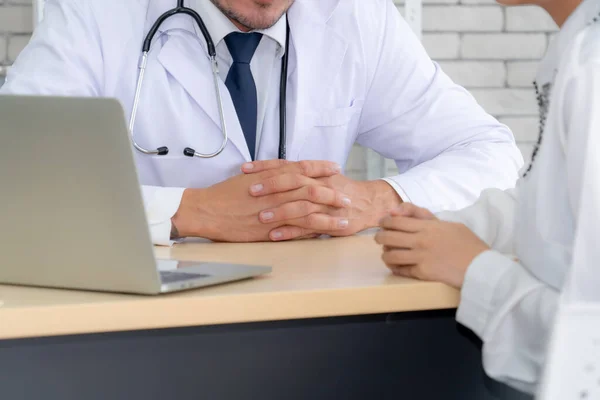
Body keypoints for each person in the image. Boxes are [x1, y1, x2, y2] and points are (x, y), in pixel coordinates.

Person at [1, 0, 522, 245]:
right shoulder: (97, 15)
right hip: (139, 327)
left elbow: (489, 151)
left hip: (304, 321)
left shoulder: (355, 18)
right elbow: (14, 178)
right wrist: (188, 212)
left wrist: (377, 199)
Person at [376, 0, 600, 394]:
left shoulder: (591, 63)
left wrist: (474, 269)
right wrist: (456, 227)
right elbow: (563, 209)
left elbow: (589, 356)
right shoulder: (579, 46)